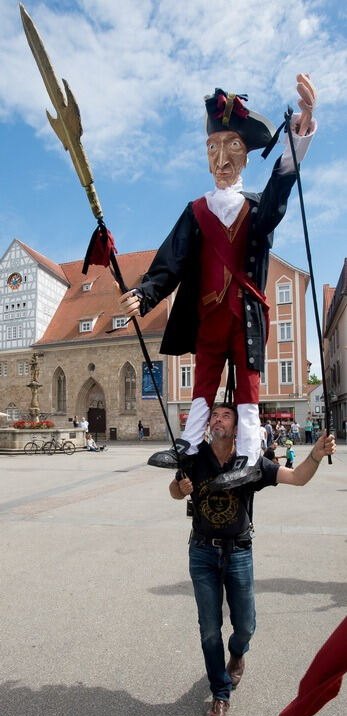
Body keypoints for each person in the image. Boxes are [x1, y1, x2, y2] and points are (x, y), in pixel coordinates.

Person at [119, 75, 317, 482]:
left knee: (247, 384)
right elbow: (169, 260)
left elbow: (280, 191)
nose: (221, 158)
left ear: (245, 157)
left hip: (246, 312)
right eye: (213, 148)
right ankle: (189, 445)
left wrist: (297, 139)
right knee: (204, 378)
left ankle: (247, 455)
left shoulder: (257, 208)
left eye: (232, 148)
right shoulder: (195, 210)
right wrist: (145, 294)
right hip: (208, 314)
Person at [169, 403, 335, 716]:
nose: (217, 419)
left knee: (244, 625)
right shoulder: (193, 457)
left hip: (239, 551)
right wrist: (180, 489)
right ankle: (220, 693)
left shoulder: (250, 461)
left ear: (237, 426)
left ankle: (238, 653)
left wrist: (315, 454)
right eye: (213, 415)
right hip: (202, 552)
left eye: (225, 415)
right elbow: (175, 491)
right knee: (209, 628)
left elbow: (297, 478)